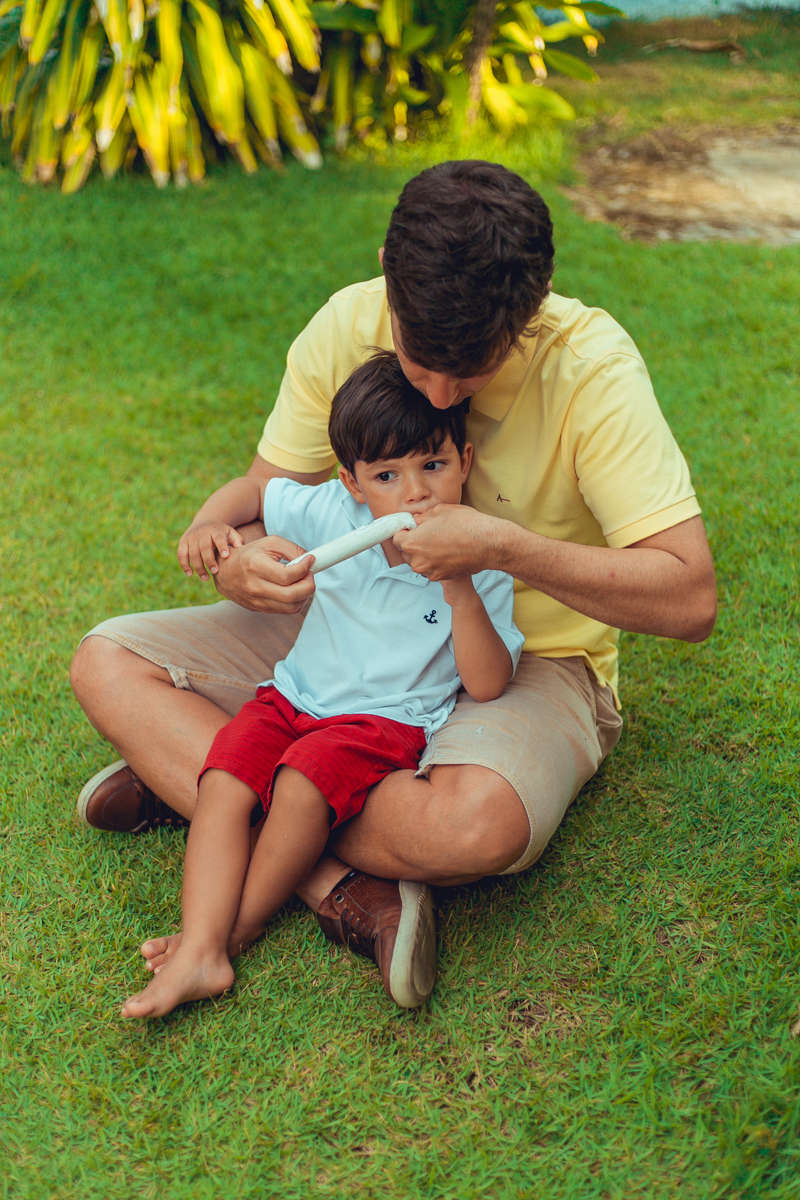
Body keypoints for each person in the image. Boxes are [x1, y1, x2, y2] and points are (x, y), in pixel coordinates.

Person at [71, 160, 717, 1010]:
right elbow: (269, 495)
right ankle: (339, 886)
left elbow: (689, 599)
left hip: (530, 662)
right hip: (339, 633)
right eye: (420, 361)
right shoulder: (346, 322)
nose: (441, 396)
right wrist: (236, 563)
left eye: (473, 372)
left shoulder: (591, 368)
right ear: (388, 269)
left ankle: (196, 785)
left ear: (534, 307)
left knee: (475, 823)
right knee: (106, 662)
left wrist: (501, 549)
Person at [120, 352, 523, 1018]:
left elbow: (486, 683)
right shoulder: (334, 512)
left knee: (302, 785)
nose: (415, 493)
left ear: (467, 462)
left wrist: (460, 588)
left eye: (434, 466)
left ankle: (221, 942)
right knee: (223, 780)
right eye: (387, 476)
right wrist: (206, 525)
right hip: (295, 695)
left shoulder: (482, 557)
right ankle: (203, 938)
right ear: (353, 483)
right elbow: (252, 493)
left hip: (384, 720)